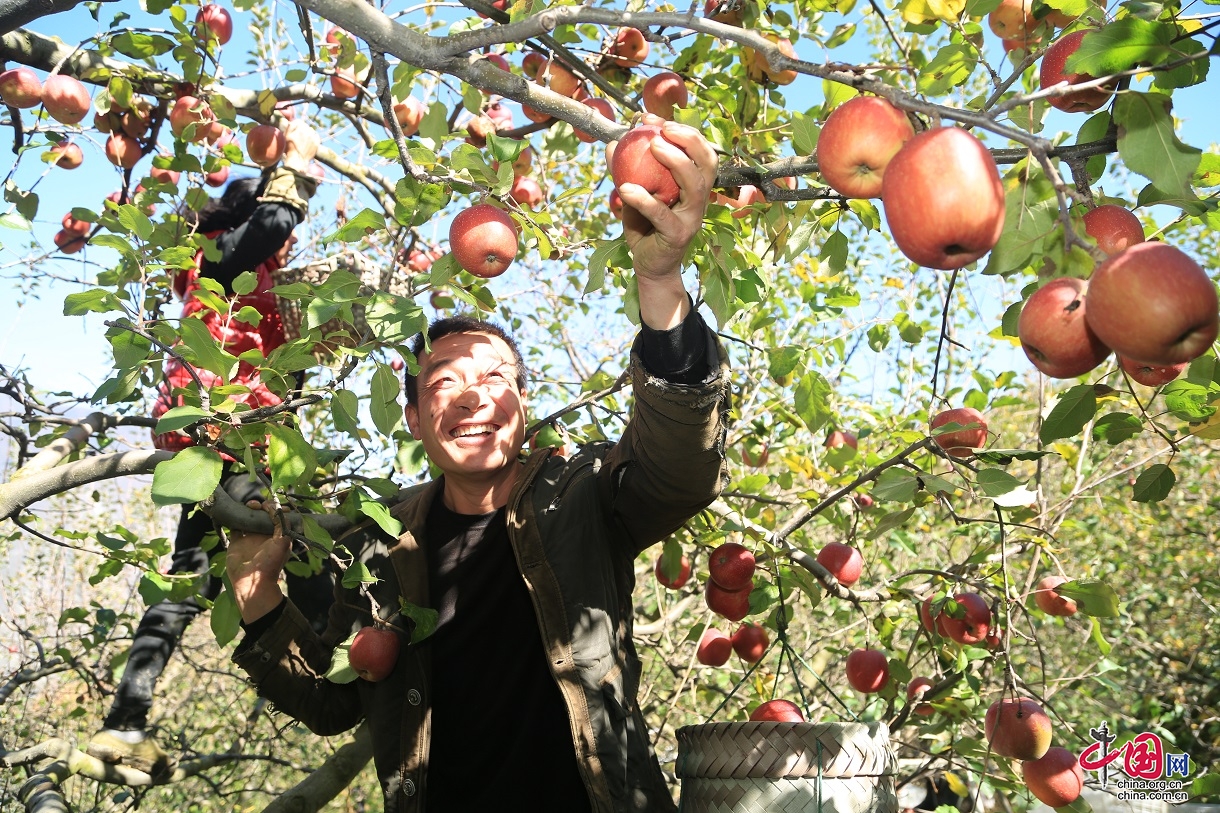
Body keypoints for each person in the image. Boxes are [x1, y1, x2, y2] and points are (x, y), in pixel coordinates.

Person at [225, 117, 730, 812]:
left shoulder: (577, 498)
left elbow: (682, 469)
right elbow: (330, 700)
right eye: (442, 385)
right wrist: (257, 595)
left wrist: (663, 278)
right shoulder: (377, 544)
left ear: (523, 402)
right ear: (413, 419)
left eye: (495, 378)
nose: (471, 397)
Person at [87, 120, 336, 778]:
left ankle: (122, 723)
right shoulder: (220, 256)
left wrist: (321, 329)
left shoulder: (252, 284)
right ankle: (350, 656)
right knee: (302, 541)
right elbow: (274, 222)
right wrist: (297, 162)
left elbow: (283, 370)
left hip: (232, 438)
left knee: (187, 581)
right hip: (225, 433)